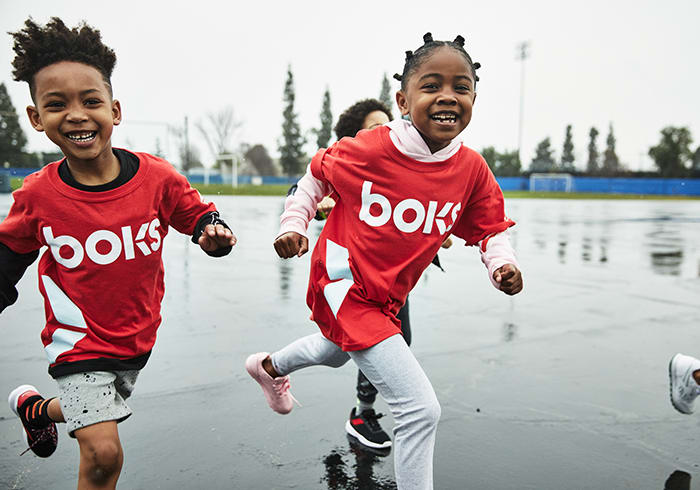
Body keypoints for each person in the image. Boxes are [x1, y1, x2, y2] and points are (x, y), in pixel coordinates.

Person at [247, 32, 522, 490]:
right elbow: (314, 176)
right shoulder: (373, 147)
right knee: (420, 409)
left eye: (462, 87)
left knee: (335, 352)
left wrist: (500, 266)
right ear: (402, 99)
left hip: (387, 295)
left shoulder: (472, 168)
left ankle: (268, 366)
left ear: (475, 97)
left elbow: (492, 227)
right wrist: (291, 225)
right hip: (342, 283)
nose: (447, 96)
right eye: (431, 85)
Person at [2, 18, 235, 489]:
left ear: (115, 109)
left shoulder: (156, 178)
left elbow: (198, 216)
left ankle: (36, 408)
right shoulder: (38, 197)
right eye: (56, 105)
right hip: (77, 342)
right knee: (104, 453)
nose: (76, 115)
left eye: (91, 101)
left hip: (135, 337)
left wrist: (214, 232)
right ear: (35, 118)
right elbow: (6, 257)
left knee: (100, 402)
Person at [314, 98, 452, 451]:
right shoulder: (348, 163)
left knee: (336, 349)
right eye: (376, 127)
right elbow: (305, 188)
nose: (389, 131)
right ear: (356, 135)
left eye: (389, 123)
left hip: (390, 283)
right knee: (379, 341)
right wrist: (320, 203)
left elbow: (414, 214)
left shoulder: (400, 168)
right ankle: (362, 415)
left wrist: (436, 237)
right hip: (350, 282)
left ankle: (270, 367)